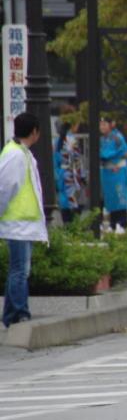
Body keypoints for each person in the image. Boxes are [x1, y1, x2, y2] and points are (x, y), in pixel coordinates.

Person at [1, 113, 47, 328]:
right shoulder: (16, 156)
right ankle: (20, 314)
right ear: (35, 131)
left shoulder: (21, 153)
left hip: (23, 223)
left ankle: (10, 315)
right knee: (20, 271)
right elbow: (5, 188)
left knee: (19, 270)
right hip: (17, 224)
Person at [98, 115, 127, 232]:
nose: (102, 127)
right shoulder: (102, 139)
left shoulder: (117, 137)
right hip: (107, 172)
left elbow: (124, 152)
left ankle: (122, 223)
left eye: (104, 124)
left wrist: (114, 161)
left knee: (119, 197)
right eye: (101, 124)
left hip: (117, 171)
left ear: (111, 125)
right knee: (110, 198)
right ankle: (113, 223)